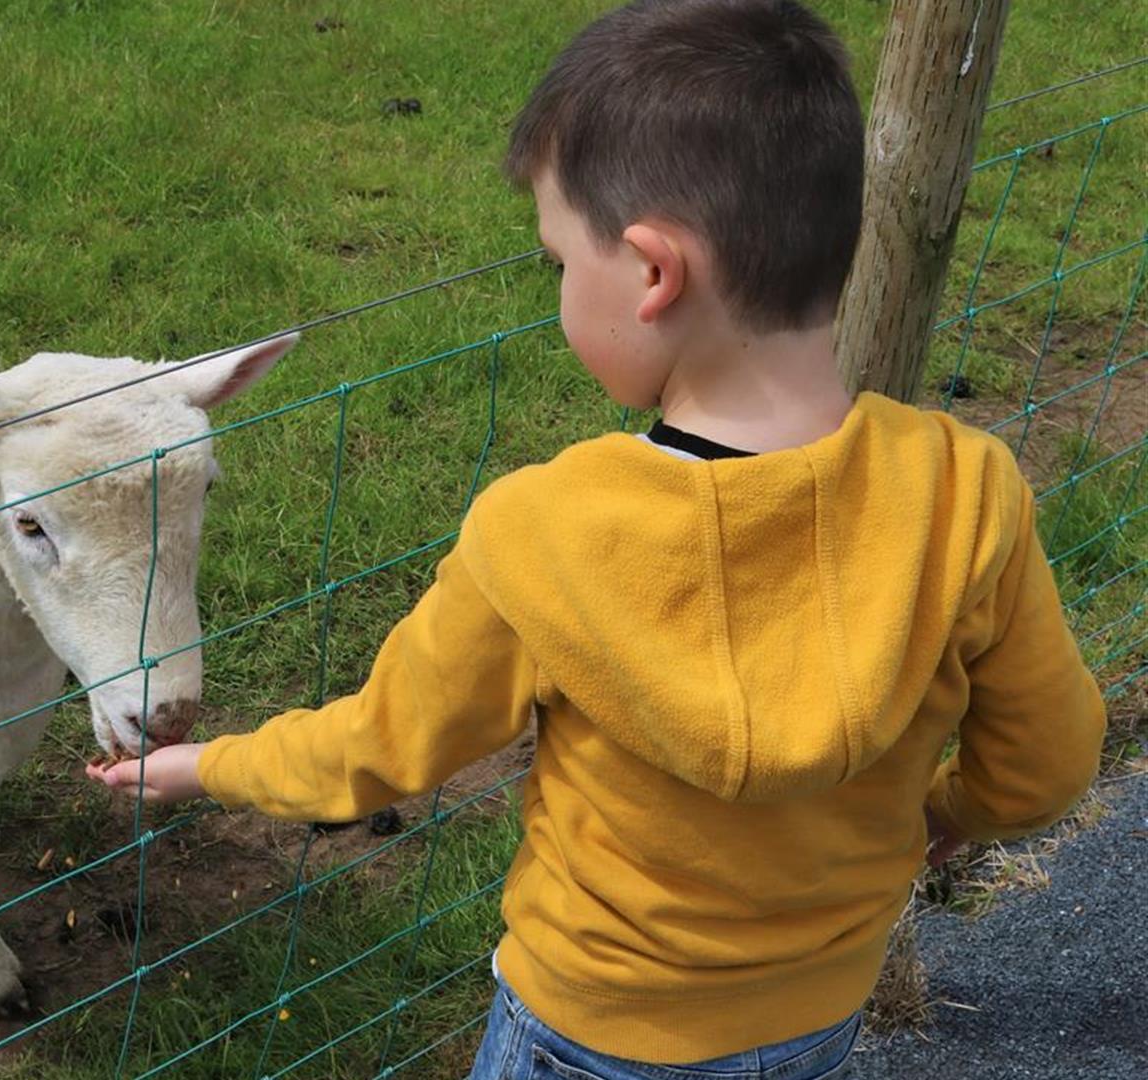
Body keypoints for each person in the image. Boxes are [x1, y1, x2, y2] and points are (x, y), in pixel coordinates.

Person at [88, 1, 1107, 1077]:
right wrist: (952, 811)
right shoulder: (963, 488)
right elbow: (1047, 761)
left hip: (586, 1033)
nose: (560, 290)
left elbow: (375, 752)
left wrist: (209, 767)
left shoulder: (546, 534)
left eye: (560, 263)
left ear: (651, 273)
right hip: (814, 1014)